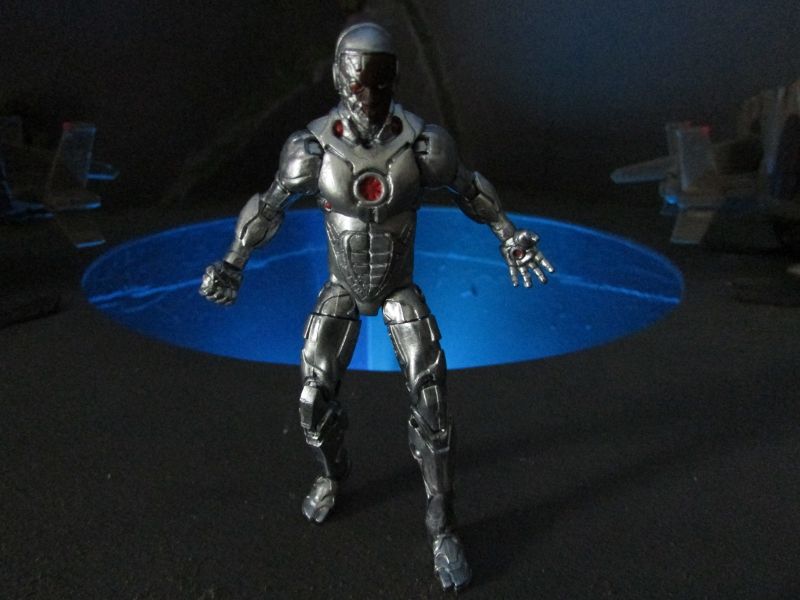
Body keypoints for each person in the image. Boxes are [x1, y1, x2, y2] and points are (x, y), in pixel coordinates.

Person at [199, 21, 553, 591]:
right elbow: (269, 206)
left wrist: (508, 234)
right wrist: (233, 260)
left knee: (432, 397)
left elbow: (469, 188)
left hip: (397, 288)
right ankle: (333, 475)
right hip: (341, 288)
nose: (367, 92)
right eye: (358, 78)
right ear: (339, 76)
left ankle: (442, 525)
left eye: (379, 79)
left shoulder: (423, 145)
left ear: (394, 78)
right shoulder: (311, 148)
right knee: (313, 398)